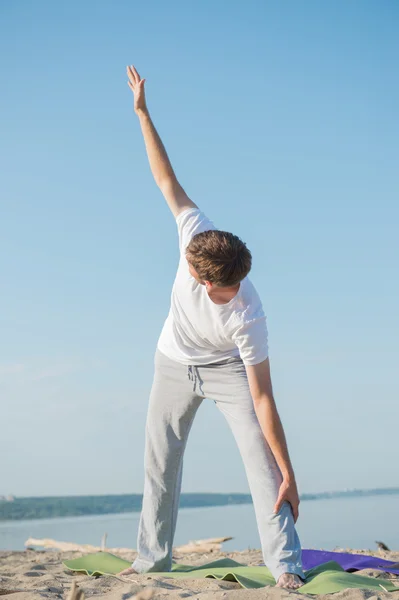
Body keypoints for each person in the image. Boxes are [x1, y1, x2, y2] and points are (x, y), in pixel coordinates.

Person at [118, 65, 305, 590]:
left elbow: (264, 399)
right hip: (174, 361)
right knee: (160, 461)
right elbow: (164, 177)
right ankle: (152, 560)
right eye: (224, 289)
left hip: (227, 369)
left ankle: (285, 567)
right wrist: (142, 114)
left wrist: (288, 469)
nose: (234, 295)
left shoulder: (249, 314)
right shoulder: (190, 233)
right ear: (201, 278)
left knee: (261, 462)